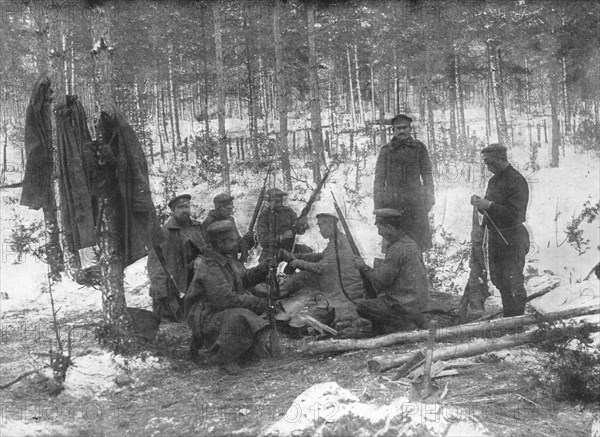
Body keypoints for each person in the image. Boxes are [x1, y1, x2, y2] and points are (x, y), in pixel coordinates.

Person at [184, 220, 273, 374]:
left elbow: (244, 278)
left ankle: (241, 351)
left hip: (215, 312)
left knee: (246, 313)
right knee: (241, 317)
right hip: (204, 316)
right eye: (232, 240)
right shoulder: (209, 266)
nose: (236, 243)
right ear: (220, 243)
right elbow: (225, 300)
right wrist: (257, 302)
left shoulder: (225, 260)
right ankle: (223, 358)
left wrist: (264, 268)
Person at [471, 143, 530, 317]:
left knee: (513, 281)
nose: (488, 167)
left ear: (501, 159)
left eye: (490, 163)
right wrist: (480, 203)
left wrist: (489, 205)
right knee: (499, 279)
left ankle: (517, 321)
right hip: (496, 237)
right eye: (486, 163)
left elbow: (516, 214)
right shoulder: (494, 180)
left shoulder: (516, 180)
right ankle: (509, 318)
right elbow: (491, 210)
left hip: (513, 237)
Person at [279, 212, 364, 327]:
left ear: (330, 226)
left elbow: (320, 268)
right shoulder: (338, 239)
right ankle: (282, 294)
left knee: (306, 275)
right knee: (305, 276)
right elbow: (322, 256)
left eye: (321, 226)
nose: (320, 230)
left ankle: (280, 295)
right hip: (338, 281)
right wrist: (298, 256)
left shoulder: (338, 242)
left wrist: (298, 262)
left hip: (345, 286)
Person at [353, 208, 429, 334]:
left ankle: (404, 325)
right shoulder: (410, 243)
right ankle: (414, 318)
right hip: (416, 302)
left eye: (380, 228)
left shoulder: (396, 248)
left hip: (403, 304)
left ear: (389, 227)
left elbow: (381, 281)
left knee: (362, 307)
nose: (379, 233)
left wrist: (363, 267)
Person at [373, 114, 435, 252]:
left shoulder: (419, 148)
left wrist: (429, 199)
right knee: (393, 247)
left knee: (417, 246)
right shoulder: (386, 151)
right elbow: (378, 182)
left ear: (409, 129)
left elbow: (427, 176)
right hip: (392, 206)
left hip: (415, 206)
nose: (402, 131)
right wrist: (378, 210)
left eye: (404, 128)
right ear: (393, 130)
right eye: (398, 128)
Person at [147, 194, 206, 322]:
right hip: (175, 285)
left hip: (196, 280)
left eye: (187, 207)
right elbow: (156, 266)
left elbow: (207, 249)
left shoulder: (197, 228)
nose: (185, 210)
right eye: (180, 207)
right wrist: (162, 293)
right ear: (172, 211)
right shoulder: (165, 232)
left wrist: (200, 257)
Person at [256, 188, 311, 263]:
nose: (279, 204)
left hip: (289, 248)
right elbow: (263, 240)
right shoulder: (264, 216)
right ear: (269, 201)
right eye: (276, 201)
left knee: (308, 252)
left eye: (281, 201)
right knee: (266, 269)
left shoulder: (288, 211)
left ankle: (290, 270)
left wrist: (302, 224)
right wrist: (281, 237)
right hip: (271, 252)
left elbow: (298, 230)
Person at [202, 193, 255, 261]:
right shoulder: (209, 222)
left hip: (232, 262)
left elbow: (237, 245)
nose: (232, 212)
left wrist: (247, 241)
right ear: (219, 208)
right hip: (216, 264)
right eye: (228, 209)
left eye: (232, 208)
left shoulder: (230, 220)